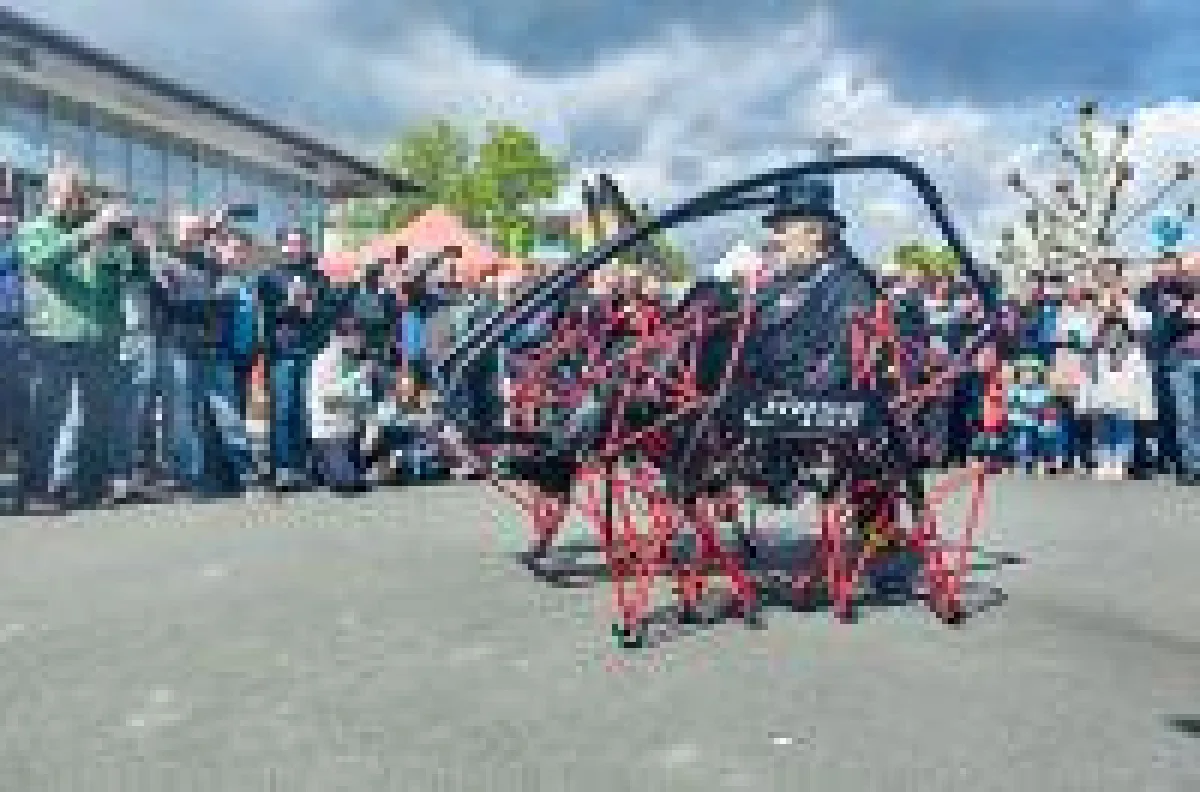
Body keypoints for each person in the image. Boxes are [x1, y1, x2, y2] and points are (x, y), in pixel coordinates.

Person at [17, 160, 141, 509]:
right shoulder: (35, 229)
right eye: (64, 193)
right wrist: (86, 236)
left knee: (98, 416)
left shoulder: (101, 230)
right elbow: (41, 260)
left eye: (76, 193)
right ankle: (37, 490)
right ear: (49, 196)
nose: (72, 200)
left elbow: (129, 272)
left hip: (100, 336)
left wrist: (127, 241)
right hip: (53, 336)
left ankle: (90, 488)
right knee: (47, 415)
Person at [256, 227, 335, 490]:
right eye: (290, 244)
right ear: (281, 247)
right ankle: (282, 467)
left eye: (300, 244)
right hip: (282, 352)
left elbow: (327, 314)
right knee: (283, 409)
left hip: (310, 350)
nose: (295, 249)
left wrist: (311, 308)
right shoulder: (269, 277)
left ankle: (303, 466)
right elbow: (268, 314)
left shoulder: (319, 278)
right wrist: (290, 304)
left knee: (306, 409)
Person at [307, 316, 375, 493]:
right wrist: (358, 376)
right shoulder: (324, 361)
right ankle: (321, 468)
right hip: (330, 436)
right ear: (342, 338)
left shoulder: (355, 360)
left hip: (351, 433)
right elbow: (328, 397)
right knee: (348, 485)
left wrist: (371, 422)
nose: (362, 341)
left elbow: (363, 400)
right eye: (357, 336)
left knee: (362, 480)